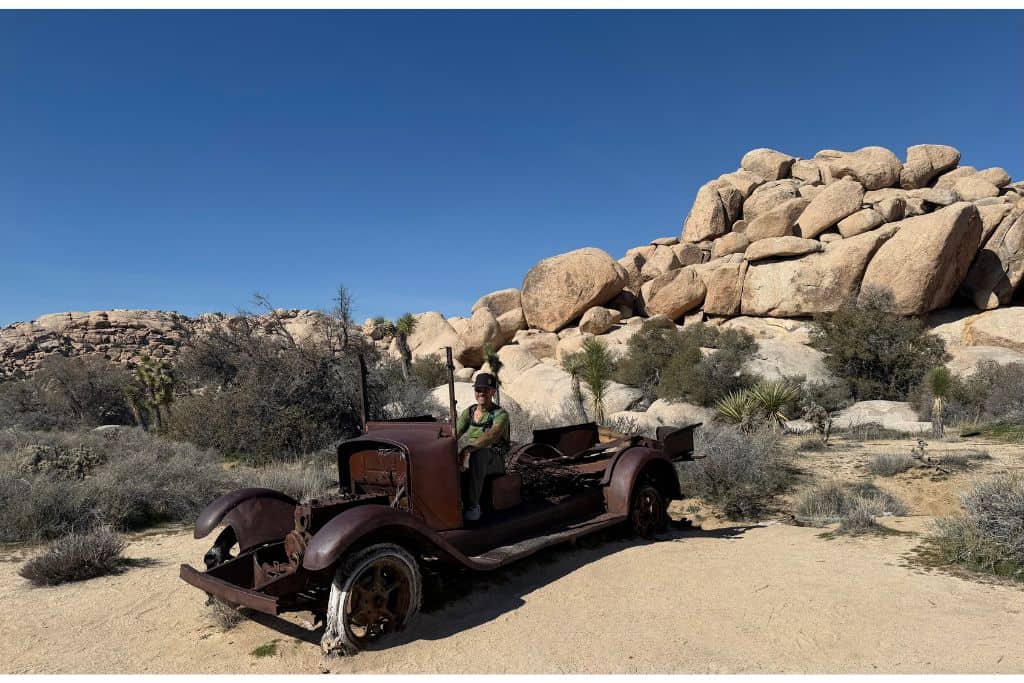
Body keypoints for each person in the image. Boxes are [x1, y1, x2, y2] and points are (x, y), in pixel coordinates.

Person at [455, 373, 510, 521]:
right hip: (472, 456)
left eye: (486, 389)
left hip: (494, 460)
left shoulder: (500, 414)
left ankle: (473, 506)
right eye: (478, 389)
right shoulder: (470, 412)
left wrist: (467, 450)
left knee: (480, 454)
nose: (481, 393)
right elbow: (455, 433)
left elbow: (492, 435)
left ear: (493, 392)